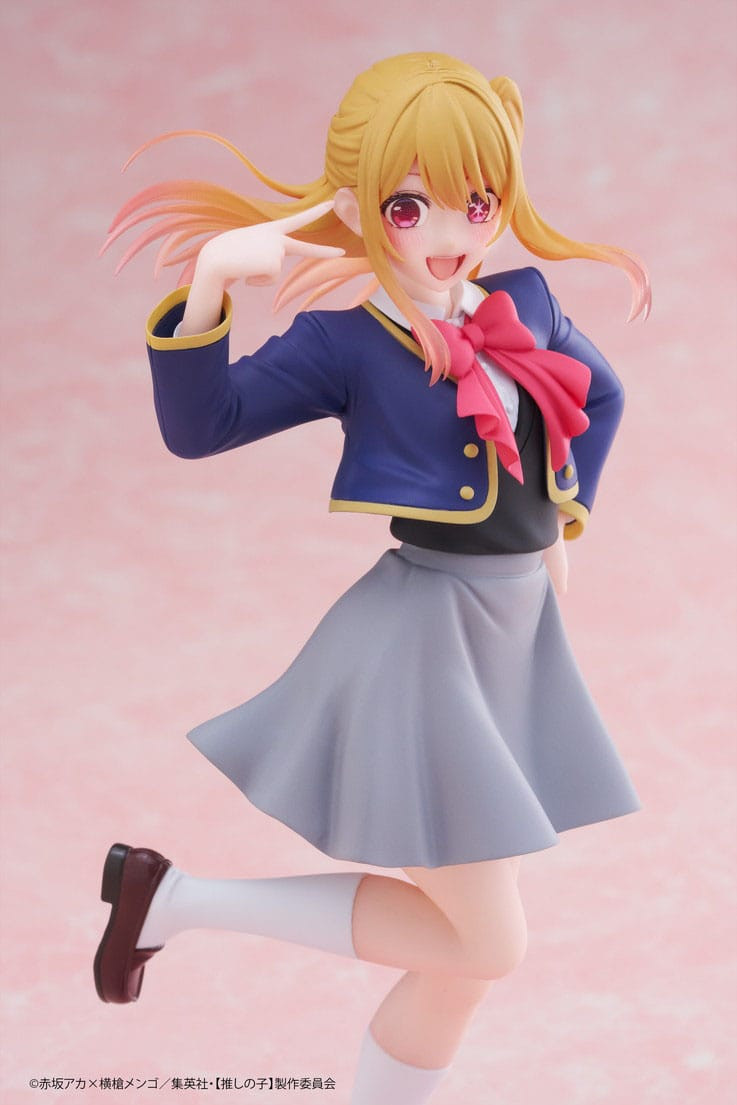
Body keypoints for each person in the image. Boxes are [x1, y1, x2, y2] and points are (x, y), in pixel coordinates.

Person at [94, 52, 649, 1104]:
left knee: (458, 968)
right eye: (408, 207)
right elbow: (203, 426)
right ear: (356, 209)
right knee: (487, 944)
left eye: (475, 203)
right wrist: (210, 283)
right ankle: (178, 902)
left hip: (511, 635)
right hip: (422, 641)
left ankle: (175, 905)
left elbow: (600, 395)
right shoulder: (346, 344)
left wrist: (561, 513)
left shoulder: (524, 301)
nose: (448, 233)